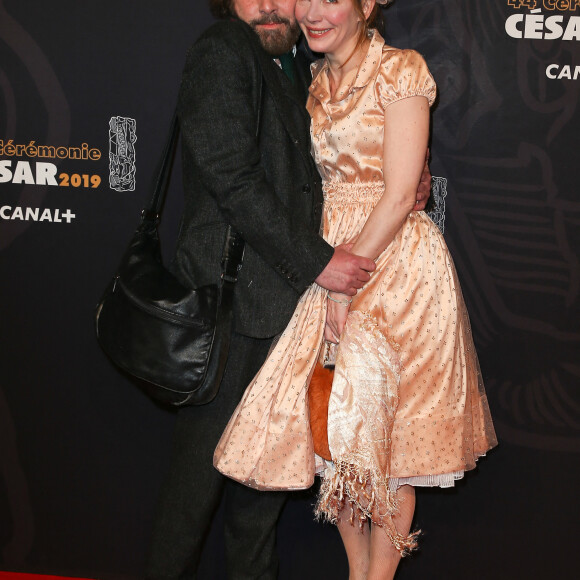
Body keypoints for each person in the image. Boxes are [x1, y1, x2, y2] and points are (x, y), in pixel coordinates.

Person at [146, 1, 431, 578]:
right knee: (193, 494)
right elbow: (234, 177)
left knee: (262, 493)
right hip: (233, 308)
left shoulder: (302, 66)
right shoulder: (223, 50)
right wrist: (321, 265)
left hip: (288, 309)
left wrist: (404, 178)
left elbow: (323, 174)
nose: (273, 5)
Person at [214, 1, 498, 578]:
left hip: (394, 273)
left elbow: (397, 196)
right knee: (340, 436)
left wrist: (344, 285)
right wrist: (328, 276)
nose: (314, 13)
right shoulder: (311, 79)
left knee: (392, 448)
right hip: (327, 264)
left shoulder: (401, 69)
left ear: (367, 5)